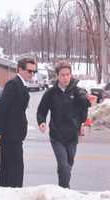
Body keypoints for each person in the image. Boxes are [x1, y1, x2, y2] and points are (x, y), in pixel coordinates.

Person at [37, 60, 91, 188]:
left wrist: (83, 123)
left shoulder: (78, 91)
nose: (65, 77)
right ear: (57, 76)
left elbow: (84, 109)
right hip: (57, 136)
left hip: (72, 136)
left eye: (68, 74)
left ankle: (62, 189)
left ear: (71, 74)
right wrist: (42, 122)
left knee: (67, 166)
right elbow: (41, 110)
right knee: (63, 165)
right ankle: (65, 191)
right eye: (62, 75)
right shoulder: (51, 93)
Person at [0, 58, 37, 187]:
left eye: (34, 72)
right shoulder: (13, 84)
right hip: (9, 134)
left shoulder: (22, 84)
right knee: (15, 168)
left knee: (9, 168)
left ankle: (4, 192)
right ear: (20, 69)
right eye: (29, 71)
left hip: (16, 134)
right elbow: (2, 108)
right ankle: (13, 193)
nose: (32, 74)